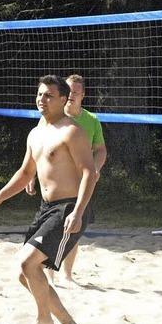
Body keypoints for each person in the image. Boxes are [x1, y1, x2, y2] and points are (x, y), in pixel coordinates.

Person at [0, 75, 97, 324]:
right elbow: (25, 173)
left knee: (28, 263)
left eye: (48, 95)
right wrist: (0, 196)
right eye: (39, 94)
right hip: (47, 208)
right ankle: (67, 323)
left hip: (68, 207)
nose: (41, 100)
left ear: (62, 99)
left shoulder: (72, 131)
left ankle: (43, 321)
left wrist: (78, 212)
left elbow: (90, 173)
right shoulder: (36, 133)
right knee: (27, 274)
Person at [27, 74, 106, 286]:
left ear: (82, 95)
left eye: (75, 92)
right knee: (32, 257)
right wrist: (31, 175)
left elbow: (100, 150)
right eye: (68, 91)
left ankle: (66, 275)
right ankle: (49, 279)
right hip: (53, 192)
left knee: (72, 229)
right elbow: (39, 152)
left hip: (78, 186)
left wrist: (95, 169)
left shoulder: (89, 122)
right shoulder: (47, 119)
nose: (71, 95)